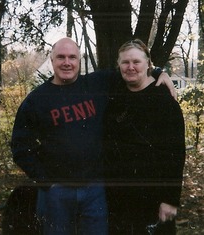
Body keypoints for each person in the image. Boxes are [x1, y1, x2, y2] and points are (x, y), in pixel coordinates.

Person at [11, 37, 176, 235]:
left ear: (79, 60)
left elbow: (131, 69)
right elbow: (20, 146)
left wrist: (160, 72)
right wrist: (45, 180)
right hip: (57, 193)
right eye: (61, 57)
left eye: (72, 57)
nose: (67, 62)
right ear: (52, 60)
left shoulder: (96, 84)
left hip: (95, 191)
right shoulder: (37, 100)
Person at [103, 39, 186, 235]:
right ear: (119, 65)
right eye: (125, 62)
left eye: (136, 62)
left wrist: (170, 200)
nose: (130, 67)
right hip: (119, 198)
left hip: (154, 199)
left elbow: (175, 154)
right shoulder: (115, 95)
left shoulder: (165, 102)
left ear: (148, 63)